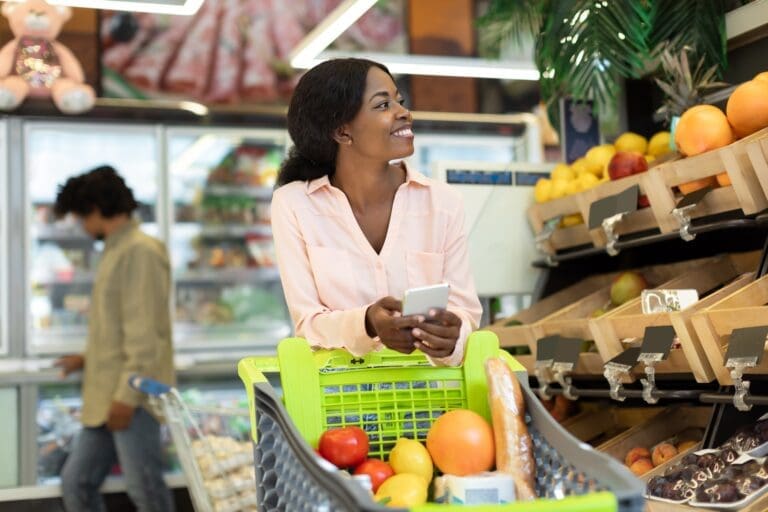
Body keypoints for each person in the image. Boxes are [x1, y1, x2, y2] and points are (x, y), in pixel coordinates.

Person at [271, 58, 482, 366]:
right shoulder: (294, 205)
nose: (403, 113)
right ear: (343, 132)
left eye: (400, 101)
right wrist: (366, 322)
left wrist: (453, 336)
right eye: (383, 105)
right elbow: (308, 323)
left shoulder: (444, 203)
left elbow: (466, 312)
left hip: (433, 395)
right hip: (340, 401)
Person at [52, 166, 174, 512]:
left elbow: (145, 335)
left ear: (94, 208)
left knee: (146, 490)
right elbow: (117, 326)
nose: (81, 225)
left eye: (80, 216)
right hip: (107, 394)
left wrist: (127, 397)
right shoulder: (117, 250)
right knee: (76, 482)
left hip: (130, 397)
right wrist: (85, 357)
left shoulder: (140, 251)